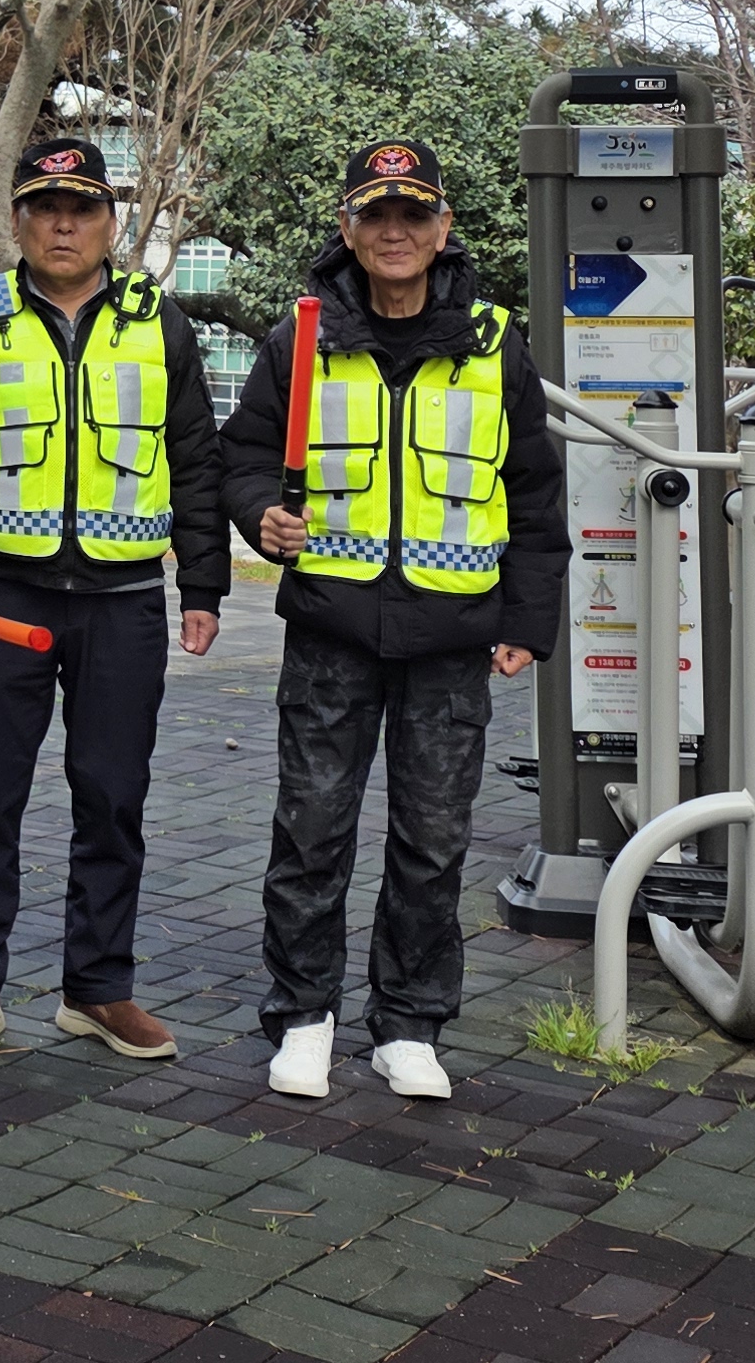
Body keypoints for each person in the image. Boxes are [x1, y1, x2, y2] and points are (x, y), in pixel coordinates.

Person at [220, 138, 569, 1102]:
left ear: (442, 229)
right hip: (331, 631)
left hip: (453, 639)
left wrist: (527, 619)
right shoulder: (301, 339)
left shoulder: (494, 345)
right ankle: (303, 1017)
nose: (395, 232)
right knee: (311, 833)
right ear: (349, 230)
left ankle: (409, 1025)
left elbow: (536, 494)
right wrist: (261, 516)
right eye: (376, 215)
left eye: (414, 214)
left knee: (433, 840)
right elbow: (243, 458)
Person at [0, 139, 225, 1059]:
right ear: (16, 223)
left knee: (113, 799)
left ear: (110, 225)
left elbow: (194, 459)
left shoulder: (158, 322)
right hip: (3, 597)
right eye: (44, 208)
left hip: (124, 602)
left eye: (82, 208)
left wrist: (203, 583)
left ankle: (99, 989)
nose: (62, 224)